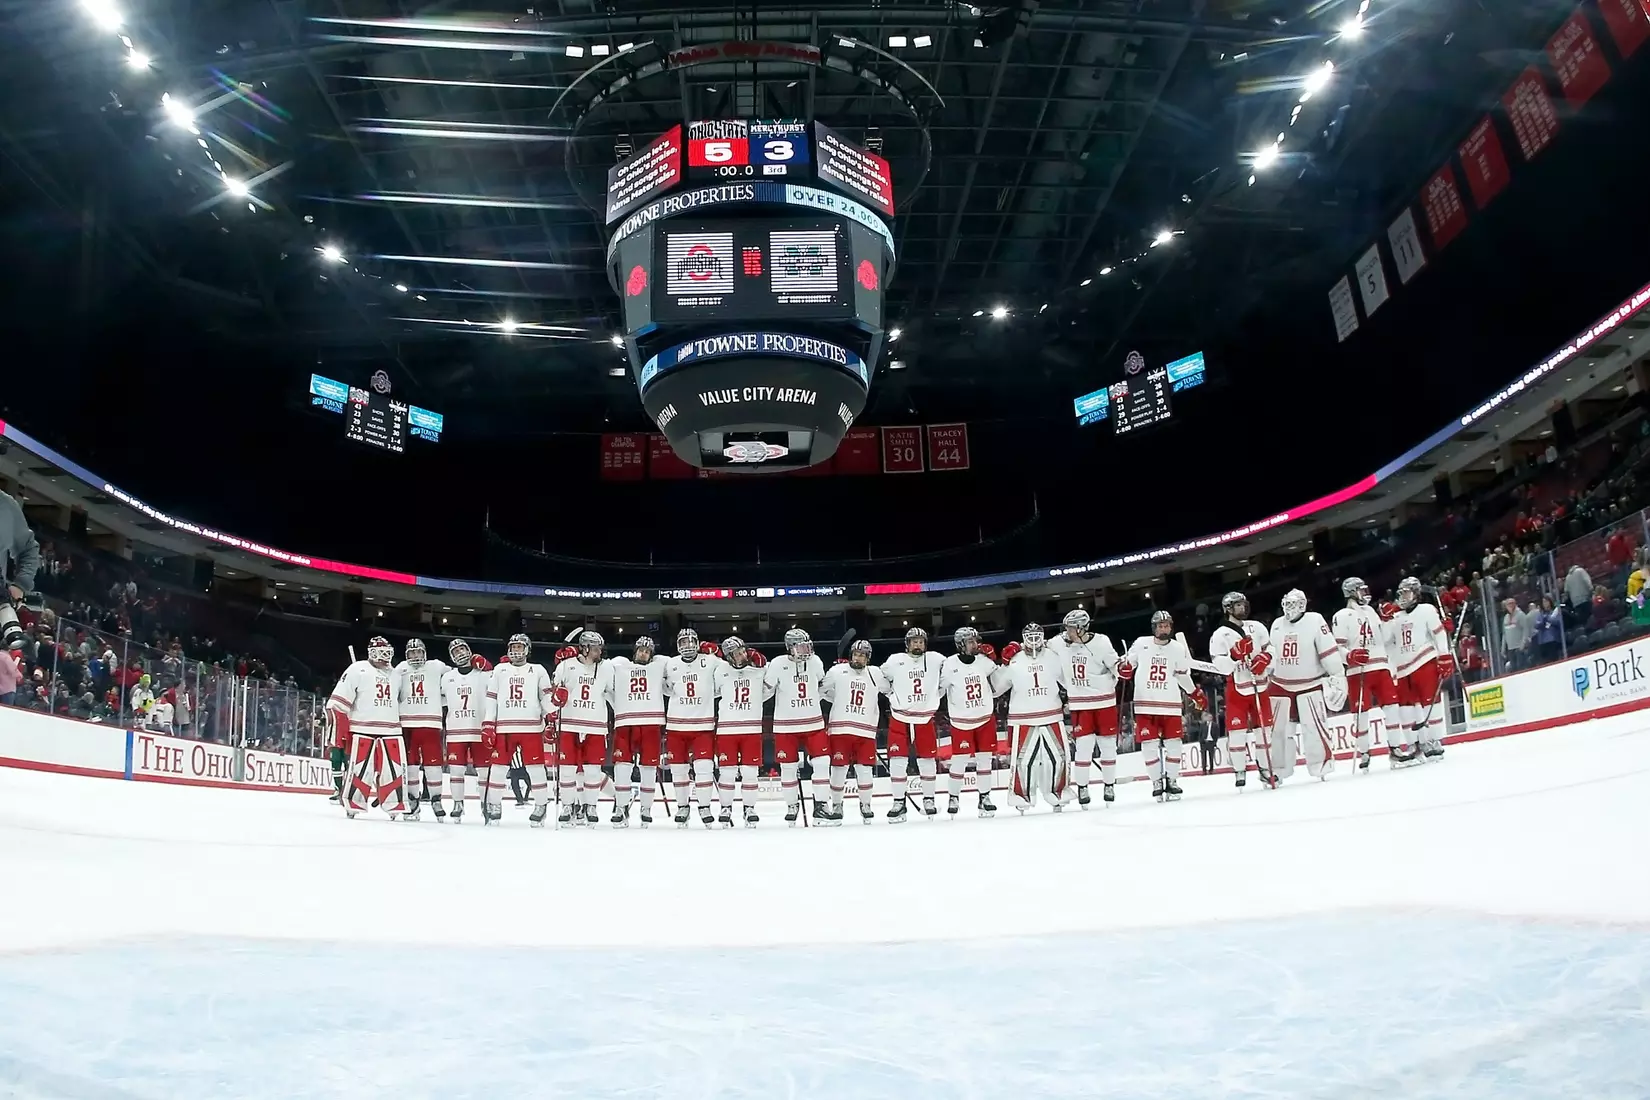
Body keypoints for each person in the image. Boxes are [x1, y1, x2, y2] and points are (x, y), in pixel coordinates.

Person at [481, 634, 565, 826]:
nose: (516, 651)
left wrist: (555, 704)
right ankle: (494, 805)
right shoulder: (499, 670)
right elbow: (491, 699)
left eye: (520, 647)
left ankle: (541, 806)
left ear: (527, 649)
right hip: (504, 727)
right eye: (513, 647)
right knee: (498, 769)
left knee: (535, 769)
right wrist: (488, 724)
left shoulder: (537, 670)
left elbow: (545, 701)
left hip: (531, 727)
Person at [1119, 610, 1203, 802]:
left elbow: (1182, 675)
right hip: (1145, 705)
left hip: (1171, 704)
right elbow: (1127, 665)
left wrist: (1194, 693)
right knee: (1149, 746)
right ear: (1154, 628)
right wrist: (1123, 670)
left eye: (1167, 626)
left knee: (1174, 745)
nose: (1164, 629)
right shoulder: (1141, 644)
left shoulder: (1178, 648)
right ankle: (1156, 781)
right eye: (1160, 626)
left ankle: (1172, 781)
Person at [990, 623, 1073, 813]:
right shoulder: (1015, 658)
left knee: (1058, 758)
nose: (1034, 640)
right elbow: (996, 689)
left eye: (1038, 635)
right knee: (1023, 761)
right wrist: (1003, 664)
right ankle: (1021, 795)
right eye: (1030, 635)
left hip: (1052, 713)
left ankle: (1058, 793)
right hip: (1022, 718)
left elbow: (1068, 681)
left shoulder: (1053, 656)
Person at [1266, 589, 1347, 783]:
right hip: (1280, 684)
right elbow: (1272, 654)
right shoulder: (1277, 624)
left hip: (1310, 682)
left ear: (1303, 605)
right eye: (1287, 604)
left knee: (1314, 728)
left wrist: (1337, 674)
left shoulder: (1315, 620)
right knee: (1279, 731)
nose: (1289, 608)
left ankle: (1321, 766)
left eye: (1294, 604)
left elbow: (1328, 651)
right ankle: (1277, 770)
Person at [1043, 609, 1121, 807]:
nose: (1066, 632)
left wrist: (1123, 670)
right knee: (1083, 749)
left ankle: (1109, 785)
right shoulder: (1060, 643)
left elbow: (1116, 666)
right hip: (1080, 704)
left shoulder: (1102, 642)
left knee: (1107, 746)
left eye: (1070, 628)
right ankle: (1083, 787)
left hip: (1104, 702)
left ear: (1081, 628)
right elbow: (1040, 646)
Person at [328, 636, 409, 819]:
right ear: (372, 653)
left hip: (392, 730)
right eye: (382, 653)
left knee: (394, 770)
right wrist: (339, 730)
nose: (386, 657)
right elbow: (338, 702)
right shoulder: (357, 669)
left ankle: (394, 804)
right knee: (360, 769)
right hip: (362, 728)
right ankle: (353, 803)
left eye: (388, 653)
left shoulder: (396, 674)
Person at [1331, 577, 1402, 772]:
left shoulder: (1371, 611)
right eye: (1361, 590)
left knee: (1392, 708)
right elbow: (1338, 647)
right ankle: (1364, 752)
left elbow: (1385, 639)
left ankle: (1395, 749)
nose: (1365, 593)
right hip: (1358, 671)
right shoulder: (1342, 615)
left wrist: (1387, 620)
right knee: (1361, 714)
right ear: (1351, 592)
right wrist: (1350, 656)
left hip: (1381, 666)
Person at [1207, 591, 1273, 788]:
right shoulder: (1220, 634)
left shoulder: (1258, 627)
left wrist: (1265, 659)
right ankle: (1239, 770)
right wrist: (1234, 657)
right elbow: (1219, 664)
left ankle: (1265, 768)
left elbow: (1271, 649)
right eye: (1237, 605)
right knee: (1237, 732)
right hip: (1237, 689)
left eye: (1243, 605)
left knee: (1265, 731)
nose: (1242, 608)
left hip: (1260, 686)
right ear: (1228, 608)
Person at [881, 627, 946, 820]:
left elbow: (952, 673)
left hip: (924, 718)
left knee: (927, 761)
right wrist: (891, 695)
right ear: (907, 643)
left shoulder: (936, 659)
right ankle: (898, 802)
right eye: (914, 641)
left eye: (921, 641)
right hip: (900, 717)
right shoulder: (894, 660)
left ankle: (929, 799)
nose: (918, 645)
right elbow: (878, 678)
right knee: (897, 762)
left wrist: (936, 694)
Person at [765, 628, 828, 825]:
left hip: (813, 721)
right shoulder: (777, 664)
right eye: (800, 645)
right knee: (788, 767)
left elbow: (821, 684)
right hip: (785, 725)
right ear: (789, 647)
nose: (806, 649)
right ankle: (792, 804)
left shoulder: (815, 661)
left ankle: (821, 804)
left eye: (807, 644)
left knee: (822, 762)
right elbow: (767, 691)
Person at [553, 630, 614, 827]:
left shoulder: (607, 668)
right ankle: (568, 806)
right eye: (595, 649)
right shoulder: (565, 666)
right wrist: (556, 701)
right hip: (569, 723)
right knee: (568, 770)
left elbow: (613, 694)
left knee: (593, 769)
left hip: (595, 725)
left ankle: (591, 806)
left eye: (600, 649)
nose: (599, 652)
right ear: (585, 648)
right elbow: (553, 697)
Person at [822, 639, 887, 824]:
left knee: (865, 770)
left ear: (868, 658)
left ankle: (865, 805)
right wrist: (837, 698)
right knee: (838, 770)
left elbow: (890, 690)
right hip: (840, 729)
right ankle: (836, 805)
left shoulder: (875, 674)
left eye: (863, 655)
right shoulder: (837, 671)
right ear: (850, 655)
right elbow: (821, 690)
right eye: (856, 654)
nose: (858, 658)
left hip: (865, 730)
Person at [605, 635, 666, 827]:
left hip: (651, 722)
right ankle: (621, 807)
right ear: (634, 651)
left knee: (648, 769)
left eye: (648, 651)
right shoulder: (619, 665)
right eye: (641, 650)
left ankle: (646, 808)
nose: (644, 653)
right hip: (625, 722)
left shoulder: (658, 666)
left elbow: (679, 664)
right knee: (622, 767)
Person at [939, 626, 1000, 818]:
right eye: (971, 642)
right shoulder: (950, 664)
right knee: (959, 761)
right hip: (962, 721)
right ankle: (954, 797)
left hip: (984, 719)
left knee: (985, 761)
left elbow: (998, 680)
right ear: (960, 644)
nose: (976, 645)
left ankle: (985, 797)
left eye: (976, 641)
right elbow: (940, 689)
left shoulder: (984, 661)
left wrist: (997, 659)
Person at [663, 629, 722, 828]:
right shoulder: (669, 664)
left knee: (704, 768)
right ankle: (682, 806)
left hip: (703, 724)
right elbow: (663, 686)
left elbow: (729, 672)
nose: (688, 645)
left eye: (691, 641)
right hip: (676, 724)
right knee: (678, 770)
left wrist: (718, 652)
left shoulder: (710, 660)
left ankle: (704, 806)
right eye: (683, 641)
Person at [713, 637, 770, 827]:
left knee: (750, 771)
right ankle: (726, 807)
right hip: (727, 727)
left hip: (752, 727)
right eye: (736, 653)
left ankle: (749, 808)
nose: (741, 656)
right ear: (729, 657)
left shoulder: (758, 669)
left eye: (743, 651)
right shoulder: (720, 670)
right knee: (727, 772)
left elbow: (769, 684)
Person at [1393, 577, 1452, 760]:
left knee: (1430, 703)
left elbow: (1439, 634)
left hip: (1424, 662)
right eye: (1401, 593)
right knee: (1406, 708)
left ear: (1416, 594)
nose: (1403, 597)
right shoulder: (1395, 617)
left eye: (1407, 593)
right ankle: (1414, 744)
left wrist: (1444, 655)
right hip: (1403, 668)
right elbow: (1388, 641)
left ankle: (1435, 741)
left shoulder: (1426, 610)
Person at [395, 638, 450, 820]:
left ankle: (436, 799)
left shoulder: (437, 666)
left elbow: (456, 680)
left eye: (418, 652)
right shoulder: (401, 668)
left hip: (431, 722)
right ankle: (412, 800)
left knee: (433, 764)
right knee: (410, 764)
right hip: (407, 723)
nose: (415, 656)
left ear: (424, 652)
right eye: (412, 653)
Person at [440, 639, 491, 823]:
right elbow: (440, 701)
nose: (460, 653)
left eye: (462, 649)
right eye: (455, 651)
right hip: (455, 730)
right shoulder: (447, 677)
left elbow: (499, 686)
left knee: (484, 773)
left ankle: (486, 804)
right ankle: (457, 804)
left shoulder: (484, 674)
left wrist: (488, 666)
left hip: (479, 729)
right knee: (456, 771)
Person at [1533, 596, 1564, 664]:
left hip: (1553, 639)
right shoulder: (1540, 614)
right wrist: (1542, 622)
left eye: (1546, 601)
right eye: (1543, 602)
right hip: (1542, 641)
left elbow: (1559, 622)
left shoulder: (1555, 612)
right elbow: (1536, 625)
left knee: (1553, 660)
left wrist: (1548, 618)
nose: (1545, 603)